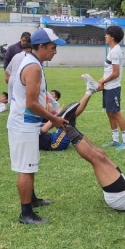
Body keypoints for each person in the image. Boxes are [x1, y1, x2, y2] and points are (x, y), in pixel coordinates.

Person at [6, 28, 74, 225]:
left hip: (27, 123)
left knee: (30, 164)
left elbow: (36, 98)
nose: (55, 52)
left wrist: (51, 111)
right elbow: (31, 104)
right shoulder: (33, 67)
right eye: (53, 48)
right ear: (41, 46)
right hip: (24, 124)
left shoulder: (33, 63)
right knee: (26, 168)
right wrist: (54, 120)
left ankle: (32, 199)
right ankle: (26, 213)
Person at [95, 25, 125, 151]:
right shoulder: (113, 50)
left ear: (112, 37)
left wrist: (103, 81)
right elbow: (109, 70)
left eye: (107, 34)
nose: (105, 36)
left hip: (113, 87)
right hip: (108, 87)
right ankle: (115, 139)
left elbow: (116, 73)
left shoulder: (115, 51)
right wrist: (102, 81)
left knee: (116, 113)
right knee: (109, 112)